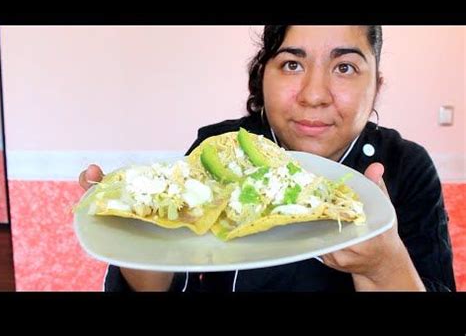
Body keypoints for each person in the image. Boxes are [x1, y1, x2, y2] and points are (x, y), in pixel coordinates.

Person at [79, 26, 456, 292]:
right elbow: (169, 284)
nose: (314, 95)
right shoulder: (219, 149)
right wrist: (136, 239)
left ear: (376, 86)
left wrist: (383, 265)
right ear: (262, 77)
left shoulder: (407, 167)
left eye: (344, 67)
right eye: (292, 64)